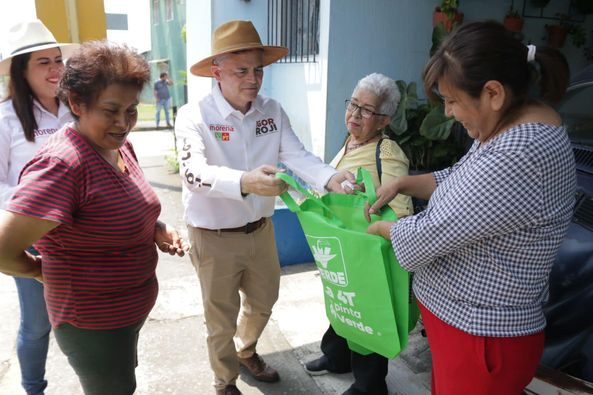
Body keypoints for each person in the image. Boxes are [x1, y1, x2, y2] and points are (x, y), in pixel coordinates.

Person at [367, 21, 575, 394]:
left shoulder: (518, 154)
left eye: (451, 100)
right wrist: (404, 182)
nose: (447, 112)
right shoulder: (511, 124)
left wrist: (385, 228)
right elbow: (461, 177)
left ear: (493, 92)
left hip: (483, 339)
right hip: (470, 333)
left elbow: (426, 237)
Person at [176, 20, 354, 395]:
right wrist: (244, 182)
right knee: (219, 319)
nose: (253, 79)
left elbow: (297, 155)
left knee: (263, 302)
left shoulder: (272, 110)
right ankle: (224, 381)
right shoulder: (194, 115)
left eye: (258, 70)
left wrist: (330, 178)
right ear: (216, 71)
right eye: (241, 70)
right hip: (213, 236)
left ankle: (245, 350)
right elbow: (193, 173)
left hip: (261, 230)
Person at [0, 40, 188, 395]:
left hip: (127, 312)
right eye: (111, 110)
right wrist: (38, 271)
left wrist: (156, 229)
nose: (123, 123)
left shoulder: (117, 145)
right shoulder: (63, 165)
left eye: (131, 110)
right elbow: (2, 249)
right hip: (93, 321)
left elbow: (117, 209)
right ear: (76, 103)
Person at [304, 73, 412, 395]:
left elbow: (401, 208)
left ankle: (369, 386)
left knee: (368, 317)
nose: (354, 114)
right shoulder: (349, 141)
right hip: (343, 246)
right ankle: (336, 358)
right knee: (342, 305)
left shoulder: (387, 151)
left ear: (384, 120)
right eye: (353, 104)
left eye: (366, 110)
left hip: (369, 250)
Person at [0, 19, 79, 395]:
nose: (55, 70)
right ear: (21, 71)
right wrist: (34, 210)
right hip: (33, 241)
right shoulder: (5, 119)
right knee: (38, 324)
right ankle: (33, 389)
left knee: (87, 318)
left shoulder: (77, 110)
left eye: (58, 60)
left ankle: (99, 382)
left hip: (84, 236)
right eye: (43, 62)